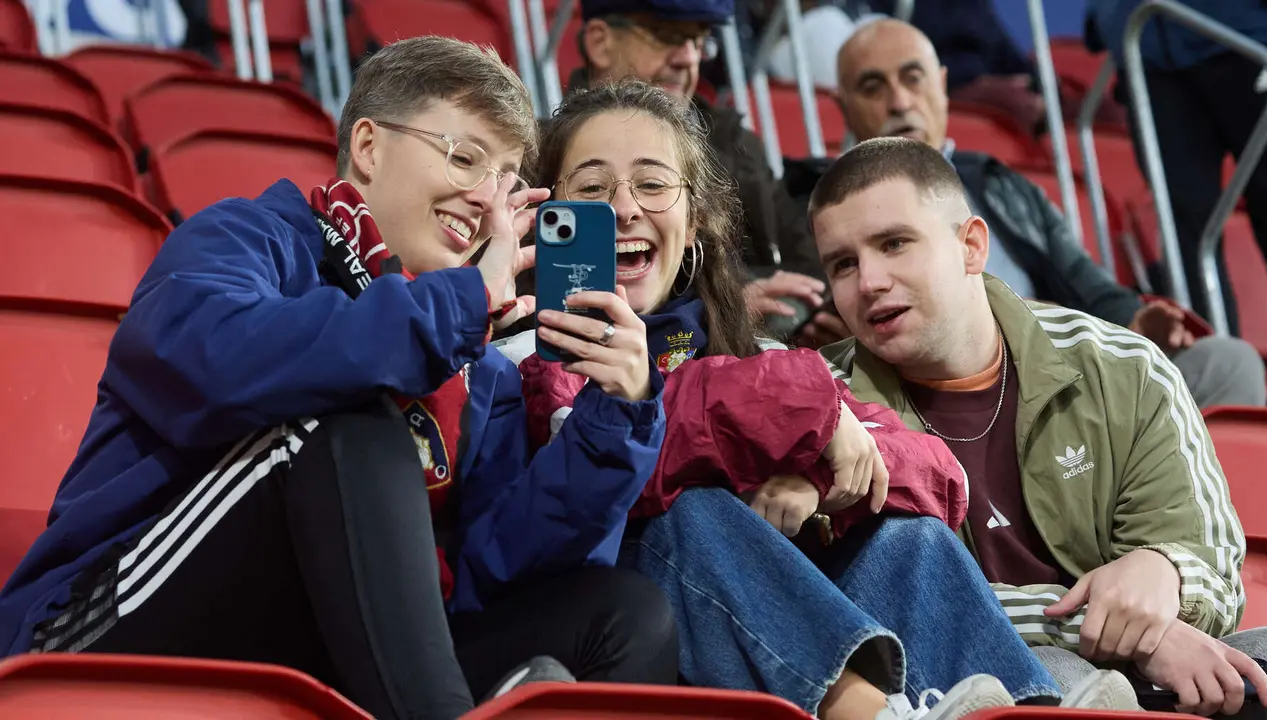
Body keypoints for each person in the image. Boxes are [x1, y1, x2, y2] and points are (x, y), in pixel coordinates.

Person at [0, 37, 678, 720]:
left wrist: (615, 418)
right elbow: (215, 364)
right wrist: (458, 307)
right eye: (464, 157)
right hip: (106, 628)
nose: (486, 203)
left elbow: (488, 571)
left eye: (504, 179)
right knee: (350, 424)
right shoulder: (247, 238)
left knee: (624, 615)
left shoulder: (476, 364)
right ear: (368, 146)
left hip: (337, 655)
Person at [497, 81, 1143, 720]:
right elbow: (629, 466)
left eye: (652, 183)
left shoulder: (762, 361)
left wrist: (816, 474)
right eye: (590, 190)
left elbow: (942, 479)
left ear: (693, 223)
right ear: (546, 219)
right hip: (639, 642)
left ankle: (1029, 713)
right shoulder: (527, 362)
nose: (624, 208)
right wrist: (806, 419)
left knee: (910, 541)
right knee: (688, 514)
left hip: (764, 645)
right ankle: (873, 712)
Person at [810, 135, 1267, 717]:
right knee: (1060, 679)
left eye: (895, 244)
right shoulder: (825, 411)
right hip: (972, 685)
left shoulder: (1123, 367)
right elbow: (905, 599)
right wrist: (1120, 627)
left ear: (971, 246)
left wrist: (1168, 572)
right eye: (843, 264)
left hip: (1167, 660)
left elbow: (1216, 571)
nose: (870, 281)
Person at [813, 17, 1266, 410]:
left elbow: (1083, 280)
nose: (899, 102)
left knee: (1228, 363)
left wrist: (1134, 318)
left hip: (1060, 369)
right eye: (873, 87)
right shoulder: (815, 206)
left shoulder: (1004, 184)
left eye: (913, 79)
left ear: (942, 85)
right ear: (842, 105)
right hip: (939, 387)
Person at [574, 0, 829, 332]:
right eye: (665, 36)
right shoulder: (548, 150)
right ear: (600, 43)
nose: (688, 59)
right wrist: (721, 306)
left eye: (698, 41)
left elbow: (811, 261)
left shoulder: (735, 142)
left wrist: (798, 311)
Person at [1088, 0, 1267, 338]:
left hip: (1247, 38)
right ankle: (1221, 378)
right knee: (1185, 232)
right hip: (1147, 49)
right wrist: (1105, 15)